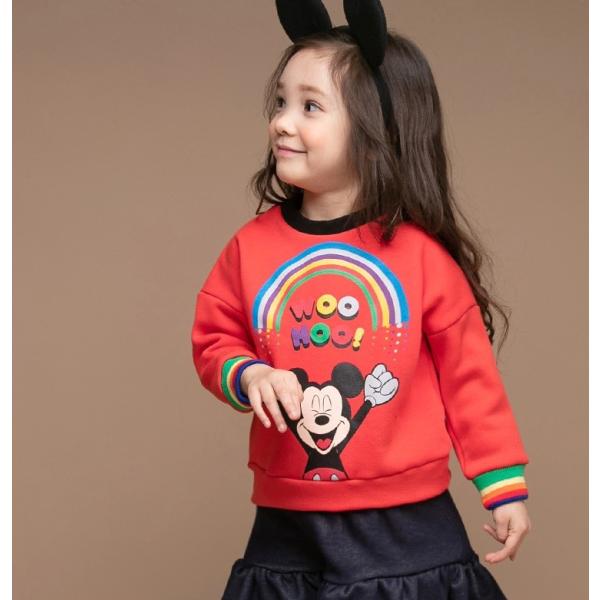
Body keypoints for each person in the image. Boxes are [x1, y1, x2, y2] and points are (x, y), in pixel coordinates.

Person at [191, 1, 532, 597]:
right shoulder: (250, 247)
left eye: (310, 106)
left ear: (377, 130)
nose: (282, 122)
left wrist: (502, 486)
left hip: (408, 527)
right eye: (280, 102)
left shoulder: (421, 257)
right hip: (287, 523)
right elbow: (214, 339)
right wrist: (249, 374)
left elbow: (470, 379)